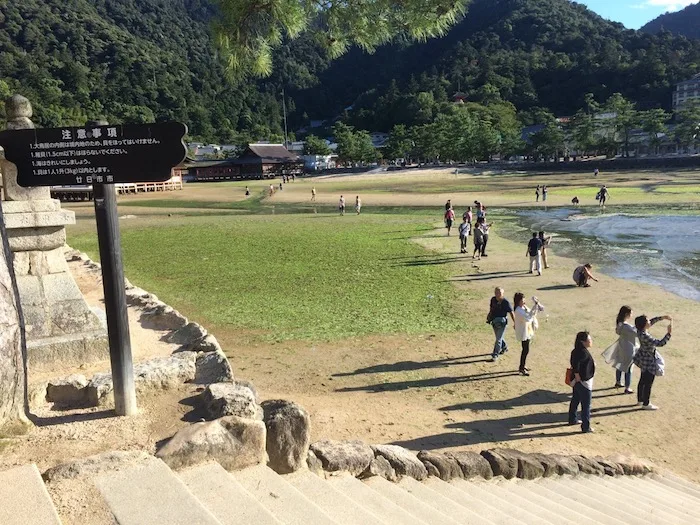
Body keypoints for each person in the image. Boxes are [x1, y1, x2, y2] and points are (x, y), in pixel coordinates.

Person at [633, 315, 672, 410]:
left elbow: (651, 322)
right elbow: (660, 343)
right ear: (644, 324)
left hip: (643, 359)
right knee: (648, 383)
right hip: (649, 361)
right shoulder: (645, 335)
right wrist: (668, 333)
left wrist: (662, 318)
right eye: (647, 321)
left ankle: (640, 400)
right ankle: (646, 404)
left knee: (642, 380)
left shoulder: (640, 331)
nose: (649, 322)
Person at [601, 306, 638, 394]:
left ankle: (618, 381)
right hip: (629, 348)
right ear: (626, 314)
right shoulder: (627, 326)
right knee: (628, 368)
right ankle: (627, 387)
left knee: (620, 364)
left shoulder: (620, 324)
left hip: (621, 346)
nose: (632, 315)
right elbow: (636, 333)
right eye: (631, 313)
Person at [569, 331, 596, 433]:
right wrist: (577, 376)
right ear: (583, 342)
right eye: (589, 339)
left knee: (575, 399)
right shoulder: (583, 353)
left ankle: (572, 419)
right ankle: (586, 427)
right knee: (586, 405)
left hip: (577, 382)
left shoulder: (576, 351)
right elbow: (576, 365)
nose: (591, 341)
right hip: (583, 382)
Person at [513, 293, 540, 376]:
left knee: (525, 349)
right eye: (522, 300)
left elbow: (530, 313)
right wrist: (534, 307)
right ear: (518, 301)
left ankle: (522, 366)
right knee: (525, 350)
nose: (524, 301)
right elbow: (528, 318)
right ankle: (521, 367)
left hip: (527, 331)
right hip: (523, 332)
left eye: (524, 299)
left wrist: (536, 306)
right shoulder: (518, 310)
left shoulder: (523, 307)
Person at [487, 287, 515, 362]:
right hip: (494, 321)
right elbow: (491, 308)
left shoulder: (505, 302)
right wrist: (489, 316)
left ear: (503, 293)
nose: (497, 294)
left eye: (499, 293)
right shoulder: (493, 299)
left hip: (502, 322)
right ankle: (504, 347)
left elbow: (511, 312)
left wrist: (515, 322)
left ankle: (495, 355)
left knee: (498, 339)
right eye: (496, 292)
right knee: (499, 337)